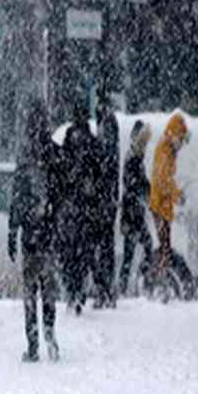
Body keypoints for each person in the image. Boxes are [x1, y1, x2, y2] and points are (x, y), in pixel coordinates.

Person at [8, 98, 61, 362]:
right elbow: (61, 192)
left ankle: (33, 344)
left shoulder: (26, 153)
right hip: (48, 230)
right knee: (48, 286)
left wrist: (12, 229)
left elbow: (17, 195)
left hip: (30, 232)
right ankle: (50, 334)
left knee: (30, 291)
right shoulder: (53, 151)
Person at [58, 101, 101, 315]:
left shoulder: (70, 137)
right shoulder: (91, 140)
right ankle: (78, 291)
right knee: (82, 254)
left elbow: (62, 169)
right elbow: (97, 172)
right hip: (84, 208)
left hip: (72, 207)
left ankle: (73, 291)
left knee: (71, 255)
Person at [149, 113, 189, 302]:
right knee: (165, 249)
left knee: (165, 248)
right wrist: (177, 195)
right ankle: (160, 286)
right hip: (159, 207)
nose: (181, 144)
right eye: (180, 138)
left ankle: (161, 283)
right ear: (174, 134)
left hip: (163, 207)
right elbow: (163, 181)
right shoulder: (164, 150)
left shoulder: (168, 150)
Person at [118, 120, 153, 295]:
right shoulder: (132, 158)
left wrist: (149, 191)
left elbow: (141, 182)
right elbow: (132, 184)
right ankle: (137, 282)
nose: (146, 145)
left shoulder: (136, 157)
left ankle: (128, 285)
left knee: (132, 253)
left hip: (134, 213)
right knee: (134, 251)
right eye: (144, 141)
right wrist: (145, 192)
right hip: (132, 214)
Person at [91, 97, 120, 308]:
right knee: (105, 248)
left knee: (101, 248)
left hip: (102, 202)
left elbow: (105, 166)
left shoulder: (107, 132)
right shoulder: (111, 129)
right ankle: (106, 290)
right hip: (106, 202)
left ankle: (104, 290)